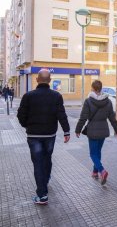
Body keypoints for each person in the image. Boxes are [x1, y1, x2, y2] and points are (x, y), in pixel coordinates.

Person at [17, 69, 70, 205]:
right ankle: (45, 181)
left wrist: (27, 126)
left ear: (37, 80)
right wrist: (66, 131)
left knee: (38, 163)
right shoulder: (56, 96)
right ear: (50, 81)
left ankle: (42, 195)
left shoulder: (28, 96)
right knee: (47, 159)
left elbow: (21, 115)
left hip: (33, 135)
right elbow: (61, 114)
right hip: (50, 135)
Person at [75, 80, 117, 185]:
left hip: (92, 131)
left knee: (93, 154)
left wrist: (78, 129)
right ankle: (95, 172)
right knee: (98, 152)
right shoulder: (108, 101)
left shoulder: (88, 101)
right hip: (103, 130)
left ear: (92, 88)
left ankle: (102, 170)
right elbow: (112, 119)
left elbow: (83, 118)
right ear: (101, 89)